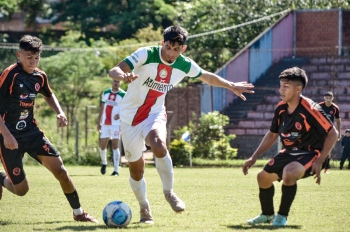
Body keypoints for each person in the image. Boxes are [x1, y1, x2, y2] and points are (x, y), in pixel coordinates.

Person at [108, 25, 255, 224]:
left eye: (176, 49)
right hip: (129, 118)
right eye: (168, 47)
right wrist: (123, 76)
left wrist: (231, 85)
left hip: (154, 113)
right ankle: (144, 208)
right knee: (137, 170)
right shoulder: (145, 54)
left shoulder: (184, 65)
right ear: (163, 43)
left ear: (183, 49)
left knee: (159, 144)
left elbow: (207, 76)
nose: (171, 53)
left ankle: (169, 192)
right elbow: (114, 70)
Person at [0, 35, 98, 223]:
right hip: (8, 136)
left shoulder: (40, 75)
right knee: (22, 191)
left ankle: (79, 213)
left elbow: (49, 95)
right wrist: (6, 134)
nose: (33, 61)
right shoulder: (9, 75)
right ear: (18, 54)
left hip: (31, 133)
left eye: (36, 57)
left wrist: (59, 112)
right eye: (29, 57)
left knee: (60, 170)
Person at [242, 67, 338, 227]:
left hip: (311, 153)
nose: (281, 90)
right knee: (262, 178)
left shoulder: (311, 109)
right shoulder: (281, 108)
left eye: (286, 87)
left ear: (298, 88)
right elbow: (272, 134)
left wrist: (320, 160)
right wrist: (254, 156)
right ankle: (267, 215)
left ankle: (282, 216)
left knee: (289, 173)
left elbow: (333, 133)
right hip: (289, 152)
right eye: (280, 86)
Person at [97, 79, 125, 176]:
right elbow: (102, 107)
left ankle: (116, 170)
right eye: (114, 81)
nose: (116, 83)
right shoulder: (106, 92)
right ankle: (104, 163)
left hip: (116, 124)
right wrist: (99, 121)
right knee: (102, 145)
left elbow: (127, 107)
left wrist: (120, 115)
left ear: (120, 83)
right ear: (112, 82)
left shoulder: (123, 94)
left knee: (114, 145)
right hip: (105, 123)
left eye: (118, 81)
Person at [318, 91, 341, 173]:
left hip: (329, 131)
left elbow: (338, 121)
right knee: (318, 148)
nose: (328, 100)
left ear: (332, 98)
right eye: (327, 98)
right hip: (319, 131)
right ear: (324, 98)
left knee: (328, 150)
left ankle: (326, 168)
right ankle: (317, 166)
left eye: (330, 98)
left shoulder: (335, 108)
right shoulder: (319, 106)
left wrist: (339, 133)